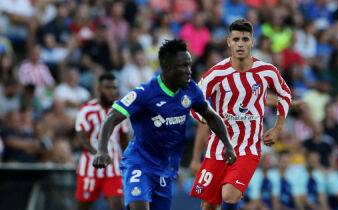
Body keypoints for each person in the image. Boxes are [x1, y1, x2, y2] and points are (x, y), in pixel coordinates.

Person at [92, 39, 236, 210]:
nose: (189, 72)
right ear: (167, 68)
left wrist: (228, 145)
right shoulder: (145, 93)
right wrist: (102, 149)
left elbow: (211, 117)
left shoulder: (191, 90)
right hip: (139, 163)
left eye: (189, 65)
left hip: (166, 169)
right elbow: (111, 117)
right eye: (183, 67)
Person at [189, 18, 292, 210]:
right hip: (217, 148)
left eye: (245, 39)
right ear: (229, 42)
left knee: (229, 194)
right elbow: (195, 104)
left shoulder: (267, 71)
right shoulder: (215, 74)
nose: (240, 44)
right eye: (236, 39)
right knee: (209, 205)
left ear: (252, 41)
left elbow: (285, 94)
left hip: (248, 148)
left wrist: (277, 128)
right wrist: (207, 119)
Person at [75, 73, 130, 210]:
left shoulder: (120, 110)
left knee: (117, 205)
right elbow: (81, 138)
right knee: (83, 206)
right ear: (99, 88)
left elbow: (124, 138)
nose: (112, 91)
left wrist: (128, 160)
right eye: (108, 88)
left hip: (114, 166)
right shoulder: (87, 110)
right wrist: (98, 154)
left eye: (114, 88)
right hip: (90, 167)